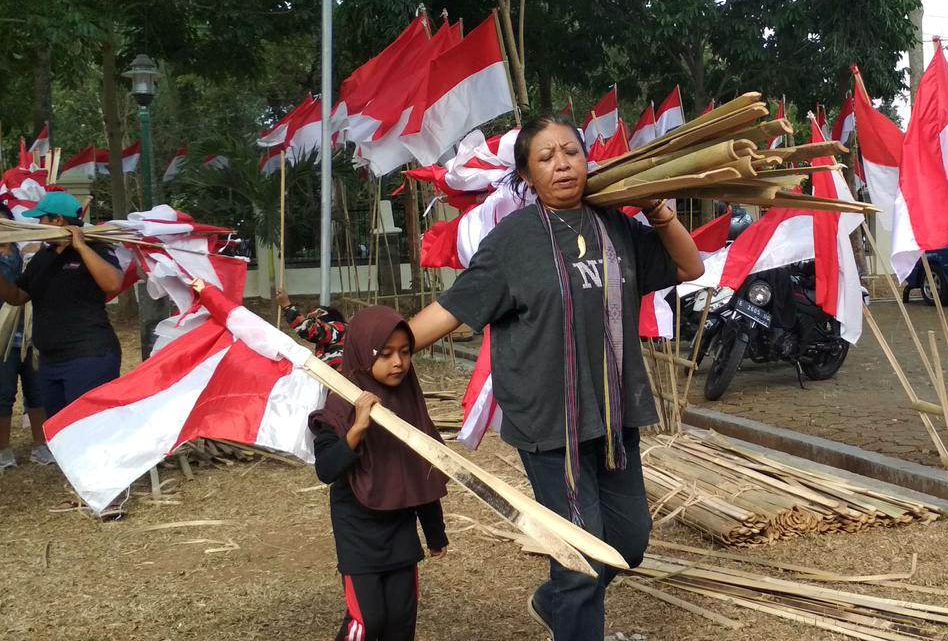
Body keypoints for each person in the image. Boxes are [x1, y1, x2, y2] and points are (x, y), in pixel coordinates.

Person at [406, 115, 705, 640]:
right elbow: (454, 308)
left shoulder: (614, 224)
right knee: (582, 558)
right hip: (550, 422)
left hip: (613, 415)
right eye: (545, 157)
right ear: (526, 174)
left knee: (628, 544)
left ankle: (553, 600)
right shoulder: (512, 242)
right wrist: (392, 346)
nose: (562, 164)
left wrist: (656, 207)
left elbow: (690, 266)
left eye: (571, 151)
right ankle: (570, 605)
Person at [309, 306, 449, 641]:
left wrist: (434, 532)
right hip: (359, 530)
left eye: (405, 352)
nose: (398, 362)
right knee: (367, 620)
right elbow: (326, 469)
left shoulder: (409, 402)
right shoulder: (341, 404)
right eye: (385, 354)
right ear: (362, 353)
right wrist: (357, 429)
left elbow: (422, 472)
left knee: (401, 621)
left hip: (400, 528)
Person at [0, 192, 122, 440]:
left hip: (89, 356)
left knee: (90, 428)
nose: (38, 225)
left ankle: (104, 477)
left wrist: (80, 246)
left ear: (57, 221)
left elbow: (113, 284)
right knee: (62, 430)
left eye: (42, 219)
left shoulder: (97, 248)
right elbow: (17, 296)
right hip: (50, 361)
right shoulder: (43, 257)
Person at [0, 206, 45, 469]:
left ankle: (42, 445)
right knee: (3, 395)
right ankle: (3, 450)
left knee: (37, 391)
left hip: (31, 335)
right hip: (2, 341)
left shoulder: (28, 254)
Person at [275, 289, 346, 370]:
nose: (314, 320)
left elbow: (310, 329)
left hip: (342, 377)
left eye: (316, 319)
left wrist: (287, 306)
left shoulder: (339, 327)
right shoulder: (330, 338)